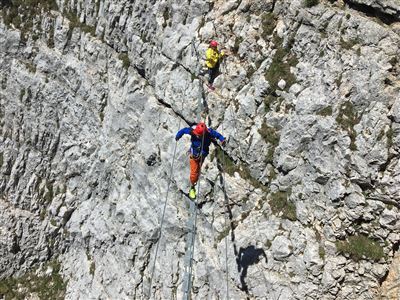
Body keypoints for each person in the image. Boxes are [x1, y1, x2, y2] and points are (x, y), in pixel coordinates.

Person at [175, 122, 226, 199]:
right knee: (194, 173)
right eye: (197, 134)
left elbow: (217, 135)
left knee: (198, 170)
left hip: (203, 155)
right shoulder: (192, 131)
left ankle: (194, 182)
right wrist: (178, 136)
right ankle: (192, 187)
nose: (197, 135)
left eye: (199, 135)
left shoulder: (209, 133)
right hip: (194, 155)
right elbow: (184, 130)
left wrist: (222, 139)